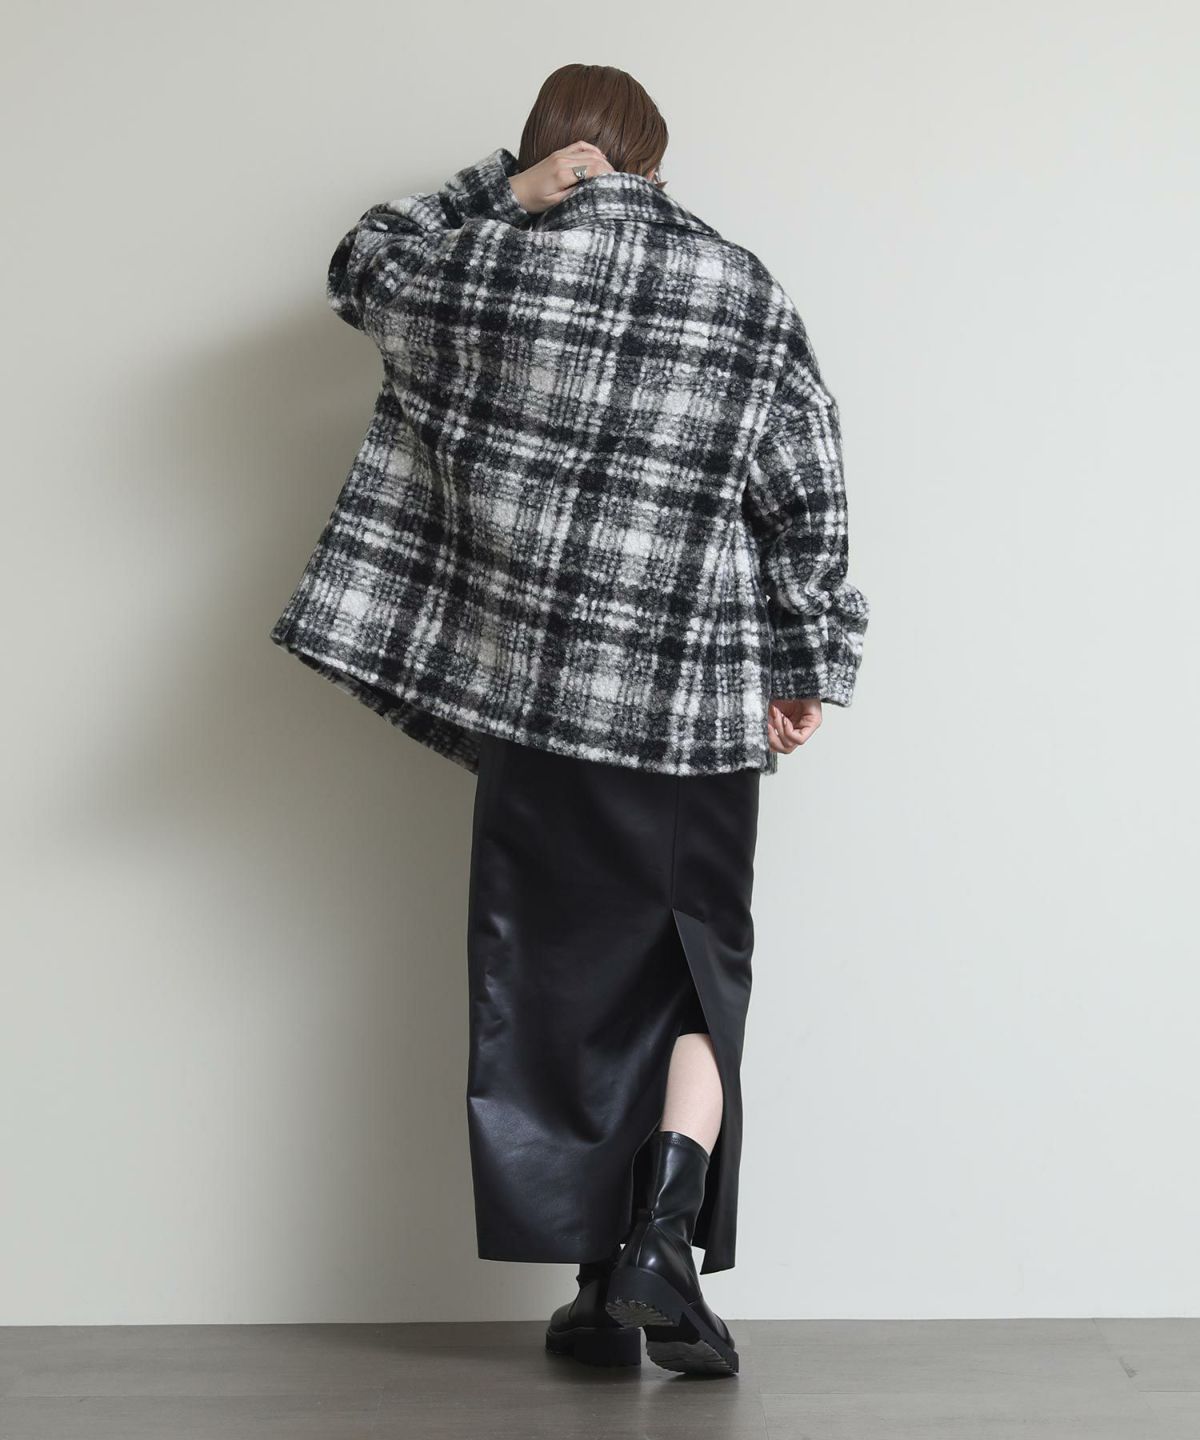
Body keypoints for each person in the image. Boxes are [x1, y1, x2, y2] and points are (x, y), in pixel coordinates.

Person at [269, 62, 869, 1378]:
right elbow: (807, 491)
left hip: (534, 705)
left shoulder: (479, 268)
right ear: (656, 163)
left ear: (541, 154)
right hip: (687, 705)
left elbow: (361, 264)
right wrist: (807, 660)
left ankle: (600, 1295)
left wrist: (501, 193)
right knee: (696, 969)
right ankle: (655, 1247)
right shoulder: (739, 286)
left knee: (560, 984)